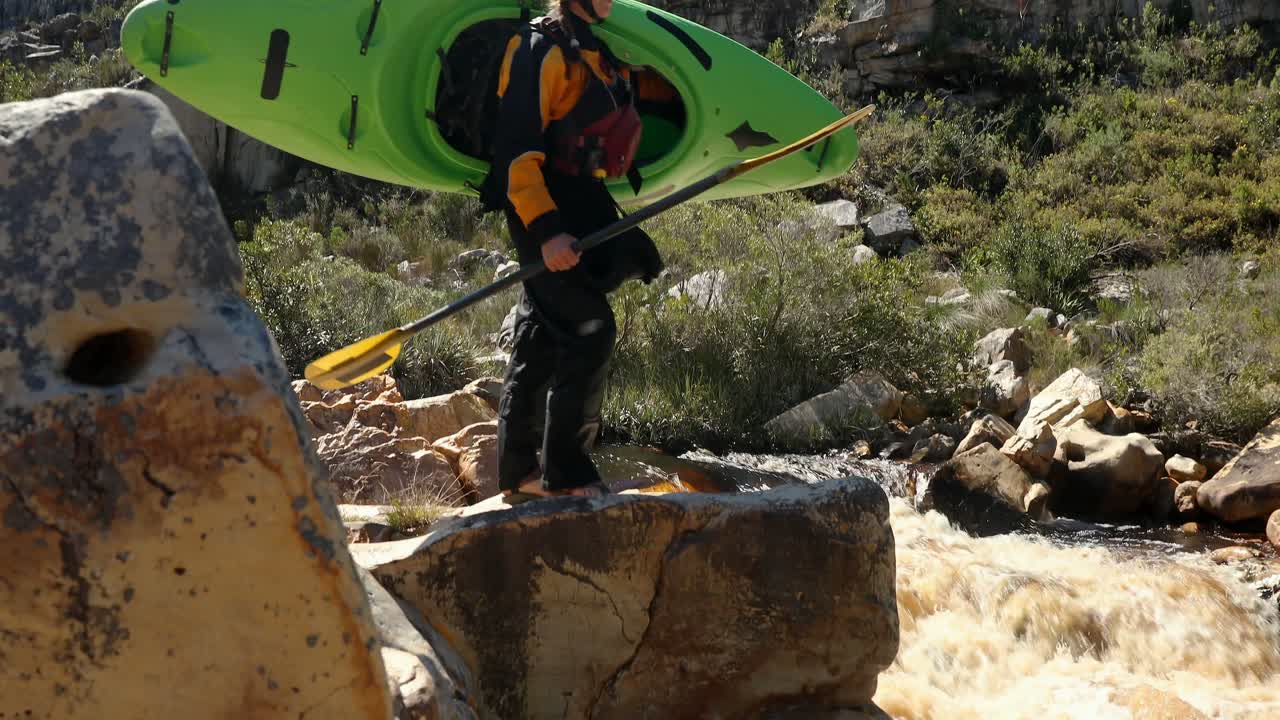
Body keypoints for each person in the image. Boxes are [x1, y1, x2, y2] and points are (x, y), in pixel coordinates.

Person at [479, 0, 675, 500]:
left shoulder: (595, 49)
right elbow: (516, 152)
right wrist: (546, 233)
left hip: (581, 200)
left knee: (539, 335)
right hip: (541, 208)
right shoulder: (535, 48)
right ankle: (566, 475)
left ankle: (520, 475)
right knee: (590, 329)